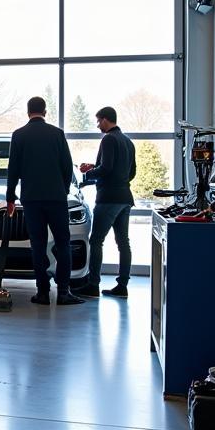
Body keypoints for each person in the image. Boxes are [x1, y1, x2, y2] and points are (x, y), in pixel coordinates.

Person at [6, 96, 84, 306]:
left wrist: (10, 197)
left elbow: (13, 168)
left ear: (28, 111)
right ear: (45, 111)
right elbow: (67, 166)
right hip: (56, 198)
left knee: (37, 245)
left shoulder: (19, 135)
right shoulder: (57, 134)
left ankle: (42, 292)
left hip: (31, 199)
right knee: (63, 243)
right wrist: (64, 189)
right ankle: (64, 292)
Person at [75, 106, 136, 299]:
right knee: (123, 243)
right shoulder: (128, 141)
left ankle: (93, 284)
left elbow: (107, 168)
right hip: (125, 197)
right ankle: (122, 285)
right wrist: (96, 167)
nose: (97, 125)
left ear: (105, 120)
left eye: (98, 121)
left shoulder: (108, 139)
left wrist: (85, 175)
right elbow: (130, 172)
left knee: (96, 241)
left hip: (108, 199)